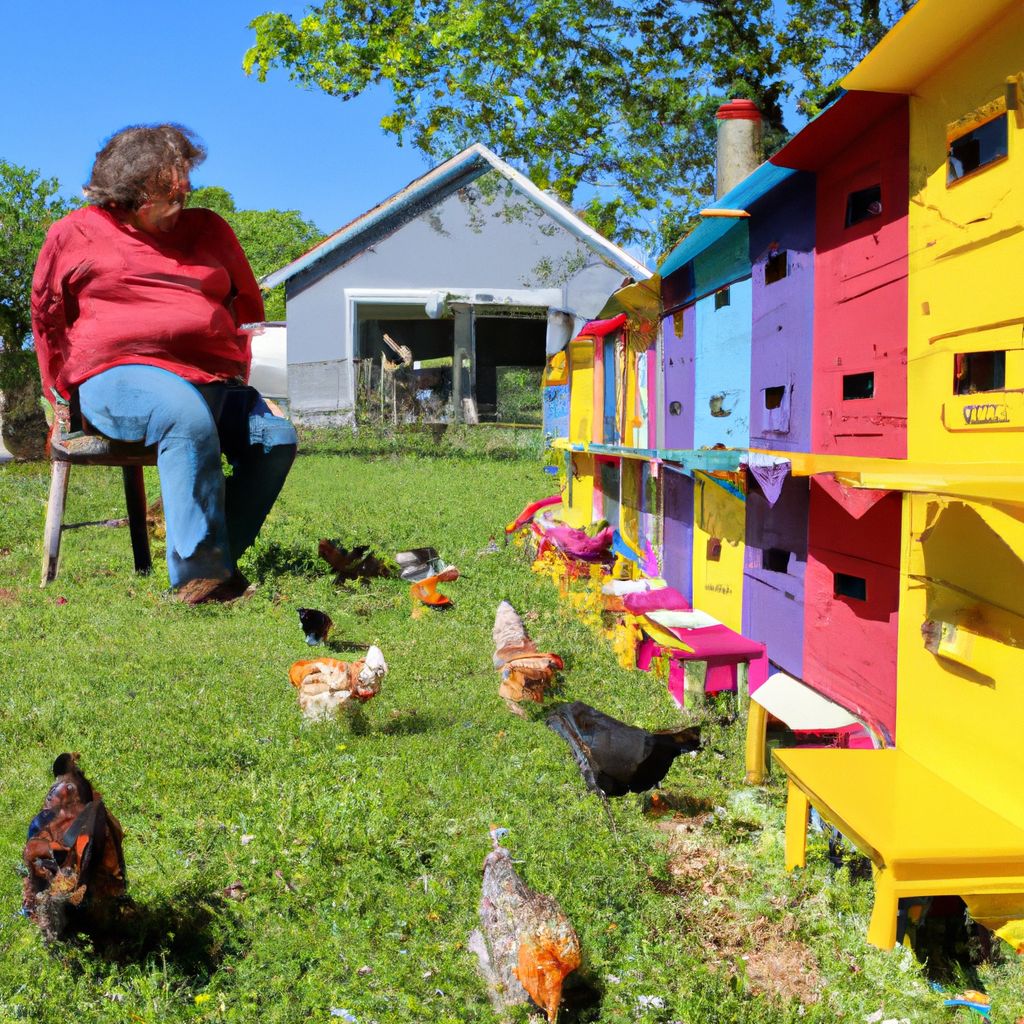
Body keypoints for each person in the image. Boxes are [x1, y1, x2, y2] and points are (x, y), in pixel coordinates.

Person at [31, 124, 297, 603]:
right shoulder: (76, 233)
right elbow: (48, 317)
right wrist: (60, 401)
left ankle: (217, 563)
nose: (181, 204)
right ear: (131, 194)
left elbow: (241, 312)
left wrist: (244, 387)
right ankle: (200, 576)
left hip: (210, 380)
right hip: (116, 378)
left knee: (275, 437)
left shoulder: (210, 229)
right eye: (168, 197)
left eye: (184, 192)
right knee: (184, 415)